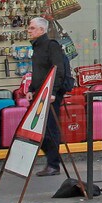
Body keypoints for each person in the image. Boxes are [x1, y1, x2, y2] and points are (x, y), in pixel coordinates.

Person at [25, 17, 73, 173]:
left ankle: (53, 164)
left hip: (50, 94)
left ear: (41, 30)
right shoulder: (37, 47)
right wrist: (31, 89)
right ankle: (52, 161)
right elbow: (38, 72)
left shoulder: (51, 46)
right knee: (36, 129)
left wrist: (53, 92)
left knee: (50, 129)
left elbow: (58, 70)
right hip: (40, 93)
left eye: (32, 28)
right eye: (29, 28)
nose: (29, 30)